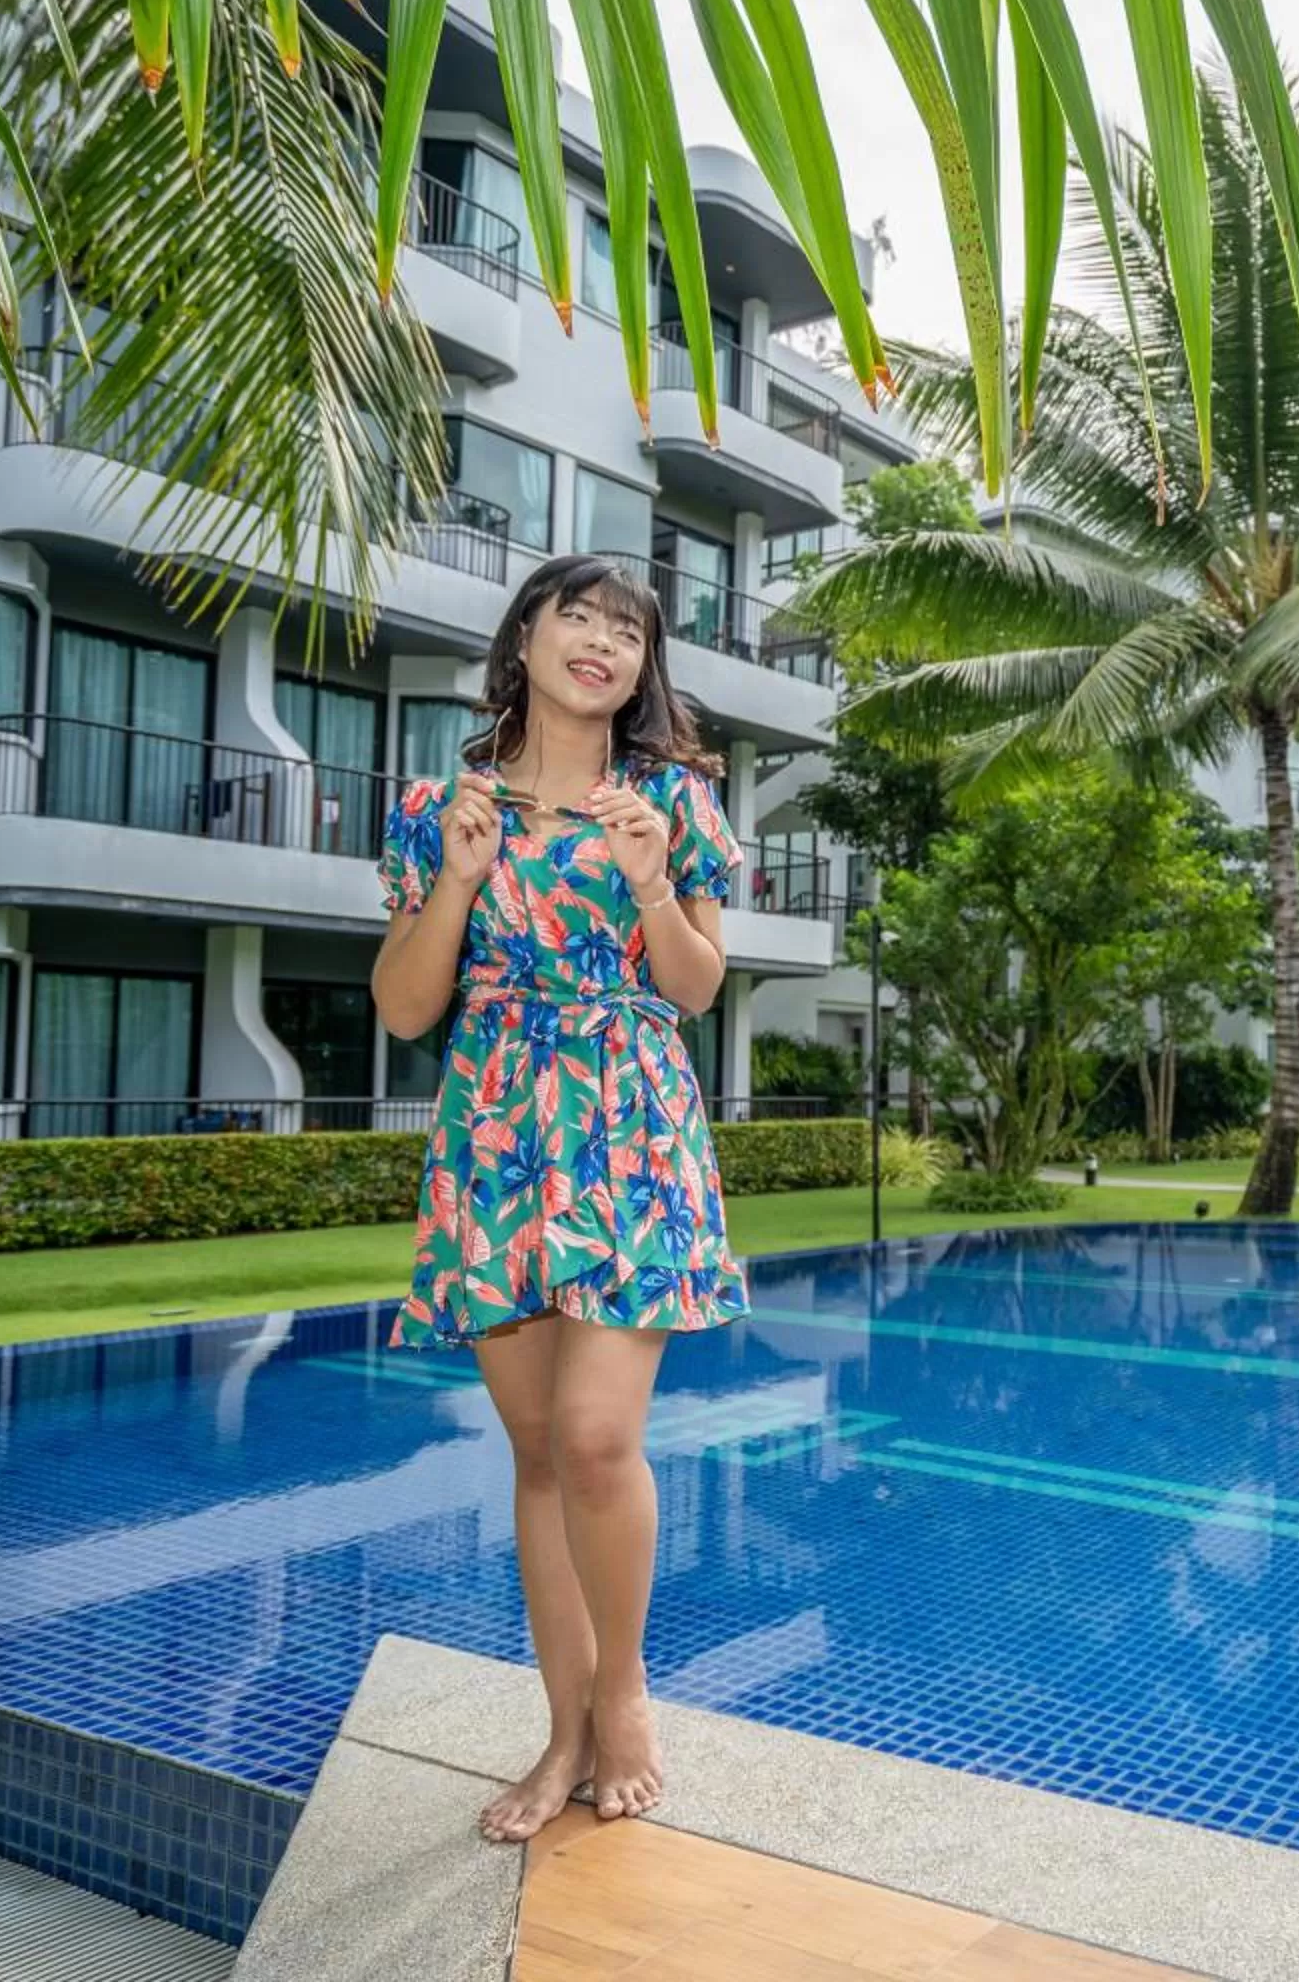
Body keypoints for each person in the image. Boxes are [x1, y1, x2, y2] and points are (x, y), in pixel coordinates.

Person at [371, 553, 748, 1842]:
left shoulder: (674, 800)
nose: (599, 641)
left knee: (594, 1439)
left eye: (625, 631)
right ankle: (563, 1729)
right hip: (497, 1133)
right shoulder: (440, 808)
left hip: (630, 1126)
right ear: (523, 639)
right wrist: (459, 877)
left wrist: (650, 881)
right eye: (575, 616)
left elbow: (695, 989)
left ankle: (624, 1694)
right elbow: (405, 1009)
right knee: (537, 1452)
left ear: (643, 668)